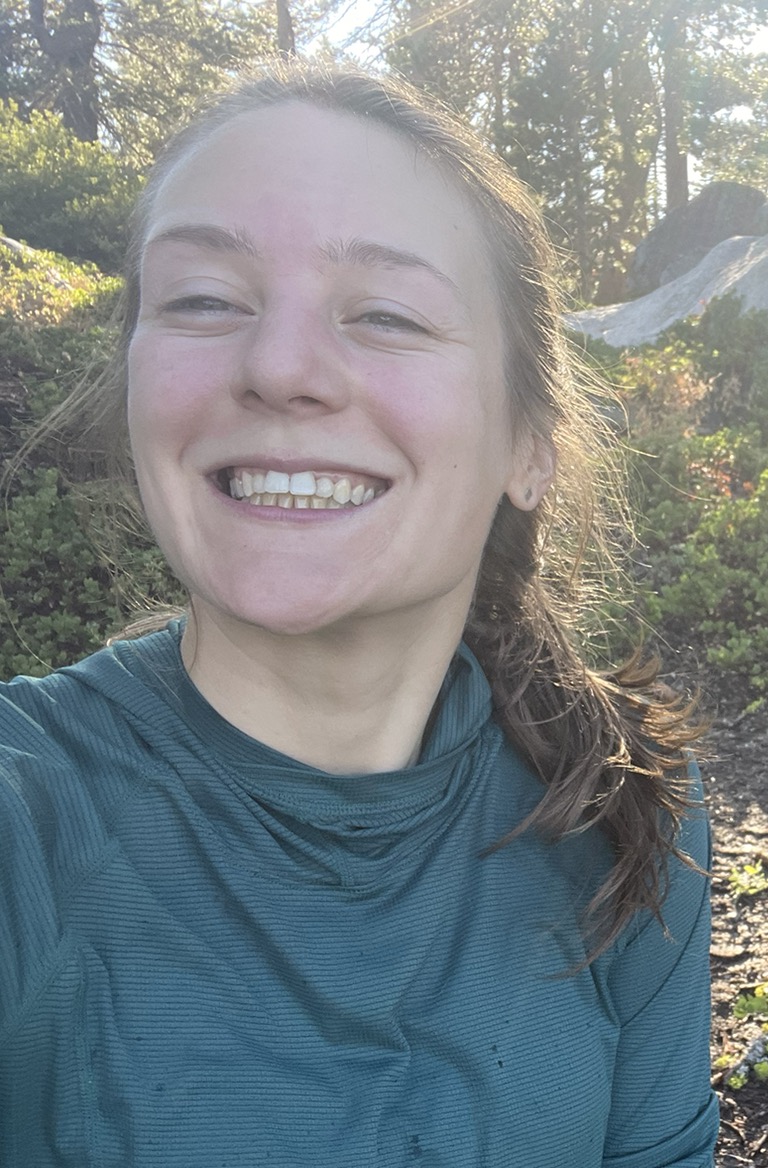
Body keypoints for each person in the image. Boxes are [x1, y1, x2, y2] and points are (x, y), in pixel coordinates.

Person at [0, 63, 718, 1166]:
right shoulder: (28, 818)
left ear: (529, 446)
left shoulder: (618, 799)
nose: (280, 366)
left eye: (385, 313)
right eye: (203, 299)